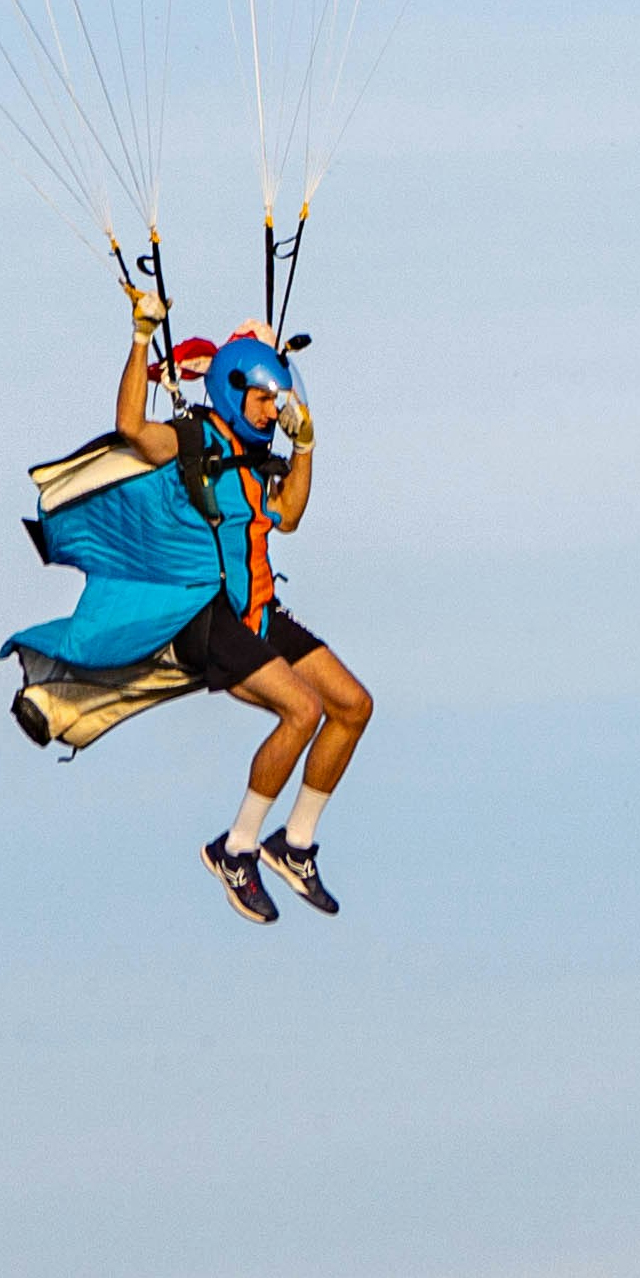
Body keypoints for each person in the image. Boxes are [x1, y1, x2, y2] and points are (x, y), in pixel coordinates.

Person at [132, 318, 375, 922]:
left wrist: (306, 445)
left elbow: (288, 516)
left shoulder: (258, 457)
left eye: (275, 400)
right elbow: (131, 430)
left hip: (260, 610)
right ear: (233, 390)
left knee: (352, 705)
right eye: (263, 399)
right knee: (303, 711)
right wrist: (140, 341)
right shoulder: (192, 441)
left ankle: (293, 845)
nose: (272, 410)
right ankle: (235, 848)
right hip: (207, 619)